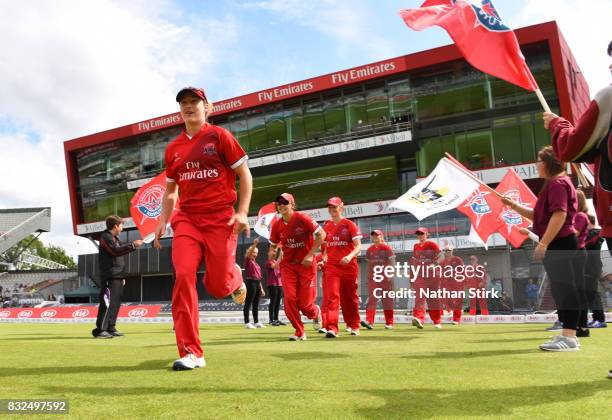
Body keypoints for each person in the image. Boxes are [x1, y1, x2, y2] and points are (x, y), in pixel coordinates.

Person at [154, 86, 253, 371]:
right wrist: (163, 220)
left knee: (218, 285)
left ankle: (234, 278)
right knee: (183, 275)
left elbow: (244, 174)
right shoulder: (173, 148)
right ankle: (191, 352)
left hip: (221, 218)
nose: (189, 106)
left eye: (194, 102)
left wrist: (243, 212)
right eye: (183, 103)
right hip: (187, 219)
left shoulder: (219, 136)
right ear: (179, 111)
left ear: (207, 107)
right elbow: (171, 191)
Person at [502, 146, 581, 352]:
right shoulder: (556, 183)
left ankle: (570, 337)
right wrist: (514, 206)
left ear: (548, 163)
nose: (536, 164)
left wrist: (544, 243)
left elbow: (559, 215)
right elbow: (539, 215)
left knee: (565, 289)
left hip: (560, 242)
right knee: (561, 289)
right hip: (560, 241)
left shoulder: (557, 183)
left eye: (539, 160)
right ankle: (567, 334)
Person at [269, 193, 325, 341]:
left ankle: (316, 313)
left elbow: (322, 234)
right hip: (288, 267)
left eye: (284, 202)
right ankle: (299, 331)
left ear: (292, 204)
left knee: (306, 305)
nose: (281, 205)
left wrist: (310, 254)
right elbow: (274, 244)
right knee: (289, 299)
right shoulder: (276, 225)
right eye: (279, 203)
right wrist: (272, 251)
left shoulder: (303, 218)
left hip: (306, 266)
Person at [93, 215, 143, 339]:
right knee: (107, 302)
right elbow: (115, 251)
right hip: (110, 276)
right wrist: (133, 245)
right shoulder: (105, 237)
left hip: (118, 276)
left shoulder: (114, 238)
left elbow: (120, 250)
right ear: (116, 226)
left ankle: (111, 327)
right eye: (121, 224)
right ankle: (100, 330)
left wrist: (122, 276)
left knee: (115, 303)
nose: (122, 227)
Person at [321, 197, 362, 338]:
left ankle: (354, 325)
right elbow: (326, 247)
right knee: (332, 295)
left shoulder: (350, 225)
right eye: (330, 207)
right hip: (332, 266)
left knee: (350, 298)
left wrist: (349, 257)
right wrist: (324, 258)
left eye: (334, 207)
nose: (332, 210)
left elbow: (358, 246)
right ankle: (332, 328)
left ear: (341, 207)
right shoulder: (326, 226)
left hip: (349, 266)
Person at [362, 230, 396, 330]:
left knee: (387, 300)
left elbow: (392, 260)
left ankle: (389, 323)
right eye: (373, 235)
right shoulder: (369, 249)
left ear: (381, 237)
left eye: (377, 235)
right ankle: (369, 321)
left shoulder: (386, 248)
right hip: (374, 278)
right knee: (372, 299)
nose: (375, 237)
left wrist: (391, 273)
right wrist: (368, 277)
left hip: (385, 277)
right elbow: (369, 264)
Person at [411, 227, 442, 329]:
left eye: (422, 233)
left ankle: (437, 321)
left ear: (427, 234)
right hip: (420, 276)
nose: (420, 235)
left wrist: (434, 264)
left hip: (433, 276)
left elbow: (441, 257)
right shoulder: (415, 246)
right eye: (418, 234)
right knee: (420, 297)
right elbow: (415, 262)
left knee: (433, 299)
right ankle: (419, 318)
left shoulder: (432, 244)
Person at [573, 190, 591, 336]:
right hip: (574, 254)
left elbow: (574, 234)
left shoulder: (579, 216)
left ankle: (582, 325)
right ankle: (579, 325)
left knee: (578, 290)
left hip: (577, 254)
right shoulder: (577, 216)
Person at [584, 214, 607, 328]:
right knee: (589, 294)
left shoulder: (596, 233)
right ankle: (596, 318)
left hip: (592, 268)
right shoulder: (591, 234)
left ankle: (600, 319)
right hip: (587, 267)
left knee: (592, 294)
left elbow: (583, 244)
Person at [243, 238, 266, 329]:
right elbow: (248, 254)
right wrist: (255, 244)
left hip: (257, 283)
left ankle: (256, 322)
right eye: (254, 252)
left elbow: (259, 277)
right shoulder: (248, 260)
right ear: (250, 252)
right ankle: (247, 322)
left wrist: (261, 288)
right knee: (248, 302)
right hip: (250, 282)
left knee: (256, 303)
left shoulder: (256, 263)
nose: (255, 254)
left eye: (256, 253)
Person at [440, 245, 464, 325]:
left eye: (449, 250)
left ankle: (456, 319)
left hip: (457, 283)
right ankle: (451, 311)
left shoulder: (457, 259)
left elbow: (462, 270)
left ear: (452, 251)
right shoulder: (442, 262)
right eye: (446, 250)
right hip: (447, 284)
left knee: (457, 301)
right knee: (447, 300)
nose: (447, 252)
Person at [266, 246, 285, 326]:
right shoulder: (269, 262)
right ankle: (271, 319)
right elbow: (274, 266)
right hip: (272, 284)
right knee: (273, 301)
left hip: (279, 284)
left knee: (277, 302)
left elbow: (279, 271)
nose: (274, 253)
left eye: (275, 251)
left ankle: (276, 319)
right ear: (269, 253)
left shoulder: (275, 261)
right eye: (273, 251)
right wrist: (280, 257)